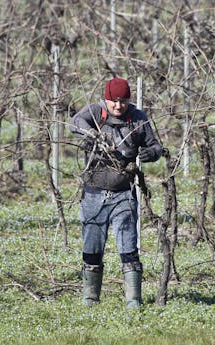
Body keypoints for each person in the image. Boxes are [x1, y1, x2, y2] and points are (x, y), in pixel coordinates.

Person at [70, 77, 162, 308]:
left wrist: (152, 153)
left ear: (129, 100)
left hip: (124, 193)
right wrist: (93, 135)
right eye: (113, 101)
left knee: (128, 246)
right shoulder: (95, 112)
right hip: (93, 193)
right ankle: (90, 298)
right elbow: (74, 123)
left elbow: (156, 146)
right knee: (91, 248)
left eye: (123, 101)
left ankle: (133, 300)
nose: (118, 106)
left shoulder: (138, 118)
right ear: (106, 99)